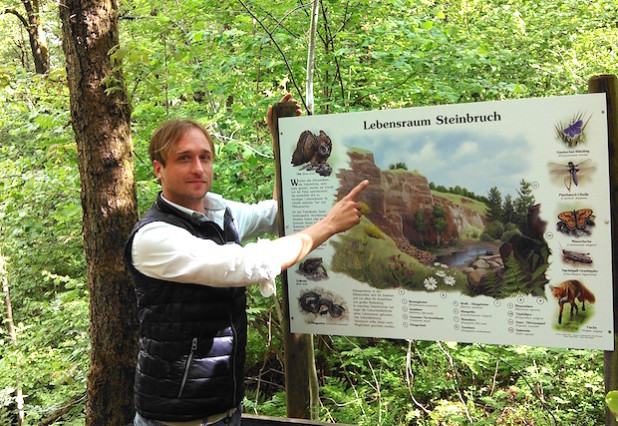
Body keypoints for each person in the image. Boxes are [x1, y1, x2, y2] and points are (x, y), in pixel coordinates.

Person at [124, 93, 369, 426]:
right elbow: (246, 265)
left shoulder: (219, 212)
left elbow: (275, 213)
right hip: (173, 420)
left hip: (226, 411)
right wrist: (328, 226)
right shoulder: (154, 238)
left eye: (204, 157)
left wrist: (280, 142)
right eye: (184, 158)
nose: (198, 168)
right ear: (159, 169)